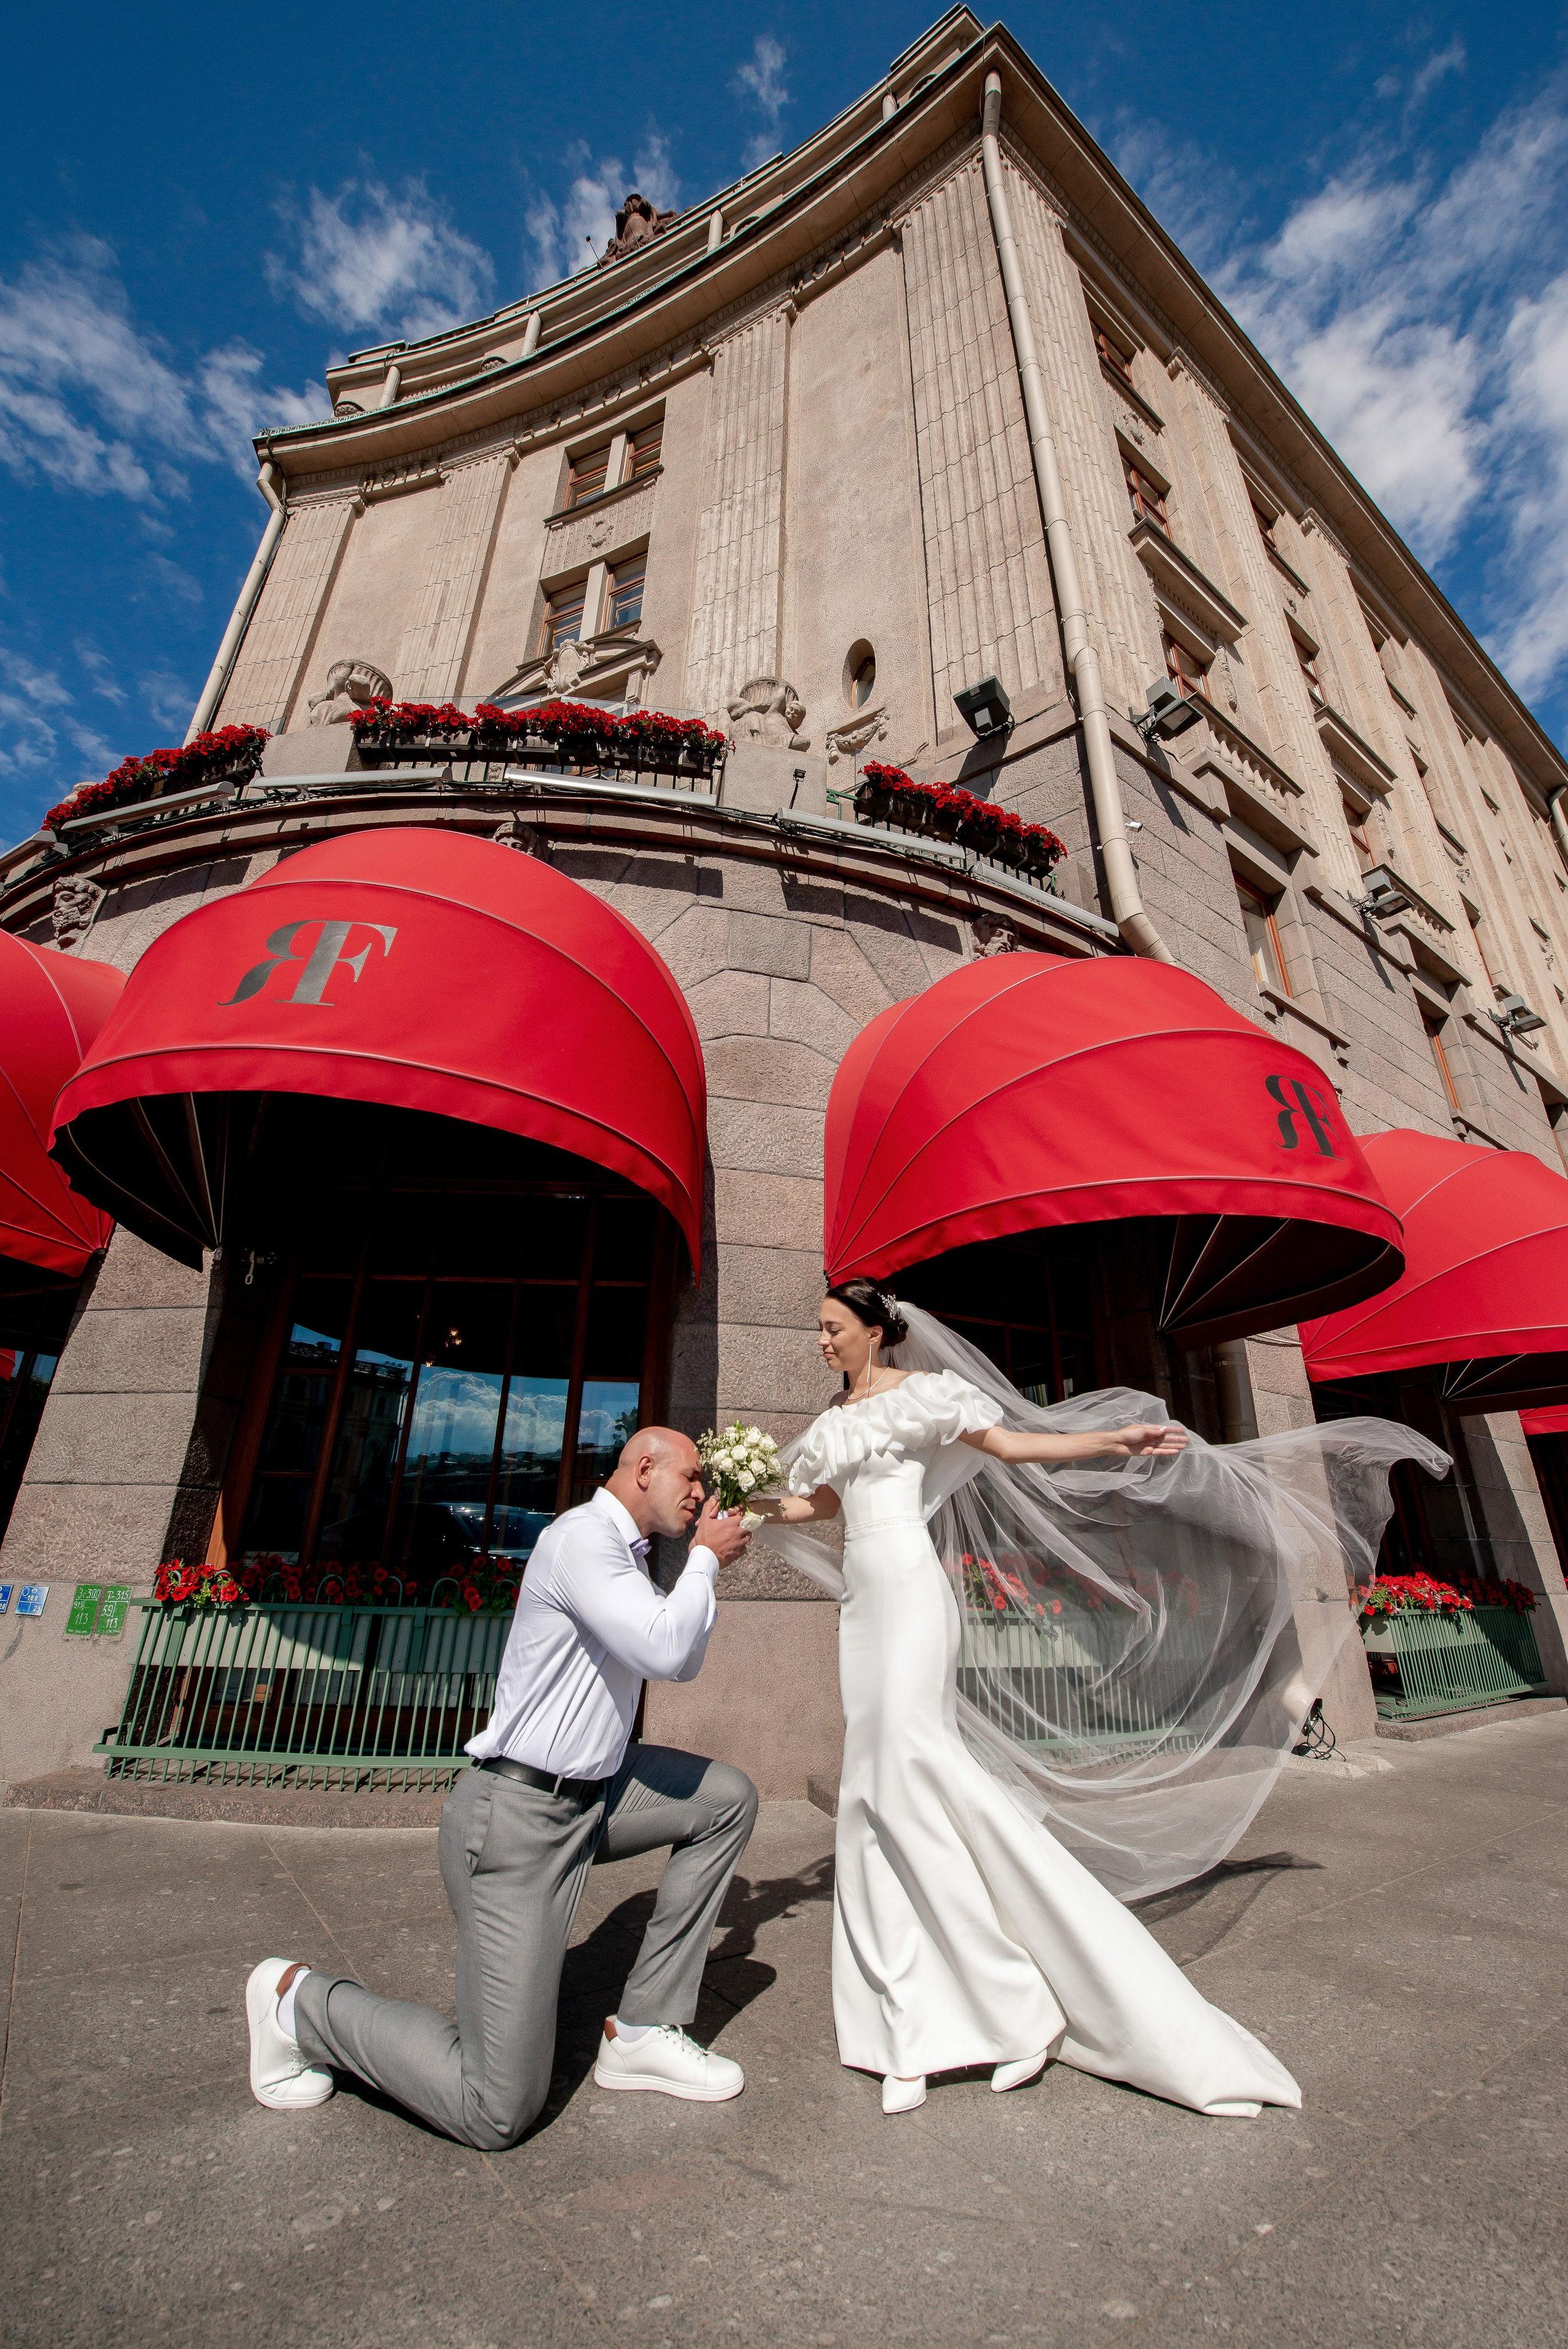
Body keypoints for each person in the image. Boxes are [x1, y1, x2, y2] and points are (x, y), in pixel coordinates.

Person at [752, 1279, 1445, 2121]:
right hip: (863, 1605)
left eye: (831, 1327)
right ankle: (915, 2014)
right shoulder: (834, 1417)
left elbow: (1012, 1446)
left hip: (909, 1591)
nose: (821, 1340)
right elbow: (820, 1503)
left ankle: (1004, 2005)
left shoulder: (925, 1396)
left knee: (903, 1776)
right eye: (818, 1330)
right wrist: (744, 1502)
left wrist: (1113, 1438)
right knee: (873, 1792)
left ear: (874, 1329)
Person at [244, 1427, 758, 2144]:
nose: (701, 1491)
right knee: (496, 2108)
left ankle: (642, 2029)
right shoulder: (581, 1539)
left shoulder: (626, 1556)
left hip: (598, 1793)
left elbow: (681, 1655)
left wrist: (698, 1571)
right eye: (692, 1476)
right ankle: (296, 2003)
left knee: (725, 1799)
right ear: (645, 1468)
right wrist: (703, 1557)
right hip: (520, 1816)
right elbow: (667, 1648)